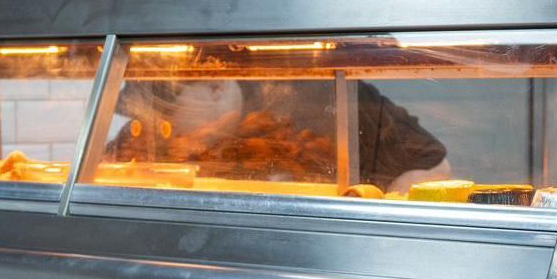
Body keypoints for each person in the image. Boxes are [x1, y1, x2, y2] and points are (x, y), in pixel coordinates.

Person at [110, 77, 451, 193]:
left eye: (166, 117)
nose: (154, 128)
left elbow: (435, 168)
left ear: (215, 87)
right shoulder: (148, 135)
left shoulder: (322, 93)